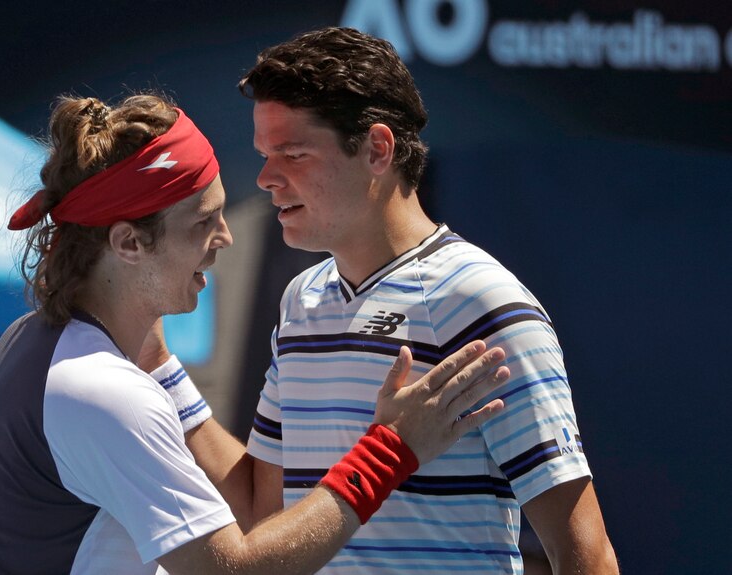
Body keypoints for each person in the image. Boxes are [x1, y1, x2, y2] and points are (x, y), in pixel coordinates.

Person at [0, 92, 511, 574]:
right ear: (129, 244)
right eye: (202, 222)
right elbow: (234, 568)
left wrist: (161, 367)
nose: (225, 237)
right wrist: (392, 449)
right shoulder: (105, 393)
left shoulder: (23, 342)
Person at [234, 27, 620, 574]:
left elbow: (585, 554)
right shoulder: (301, 301)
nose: (267, 178)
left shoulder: (481, 300)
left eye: (293, 154)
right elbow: (260, 511)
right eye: (265, 155)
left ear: (377, 149)